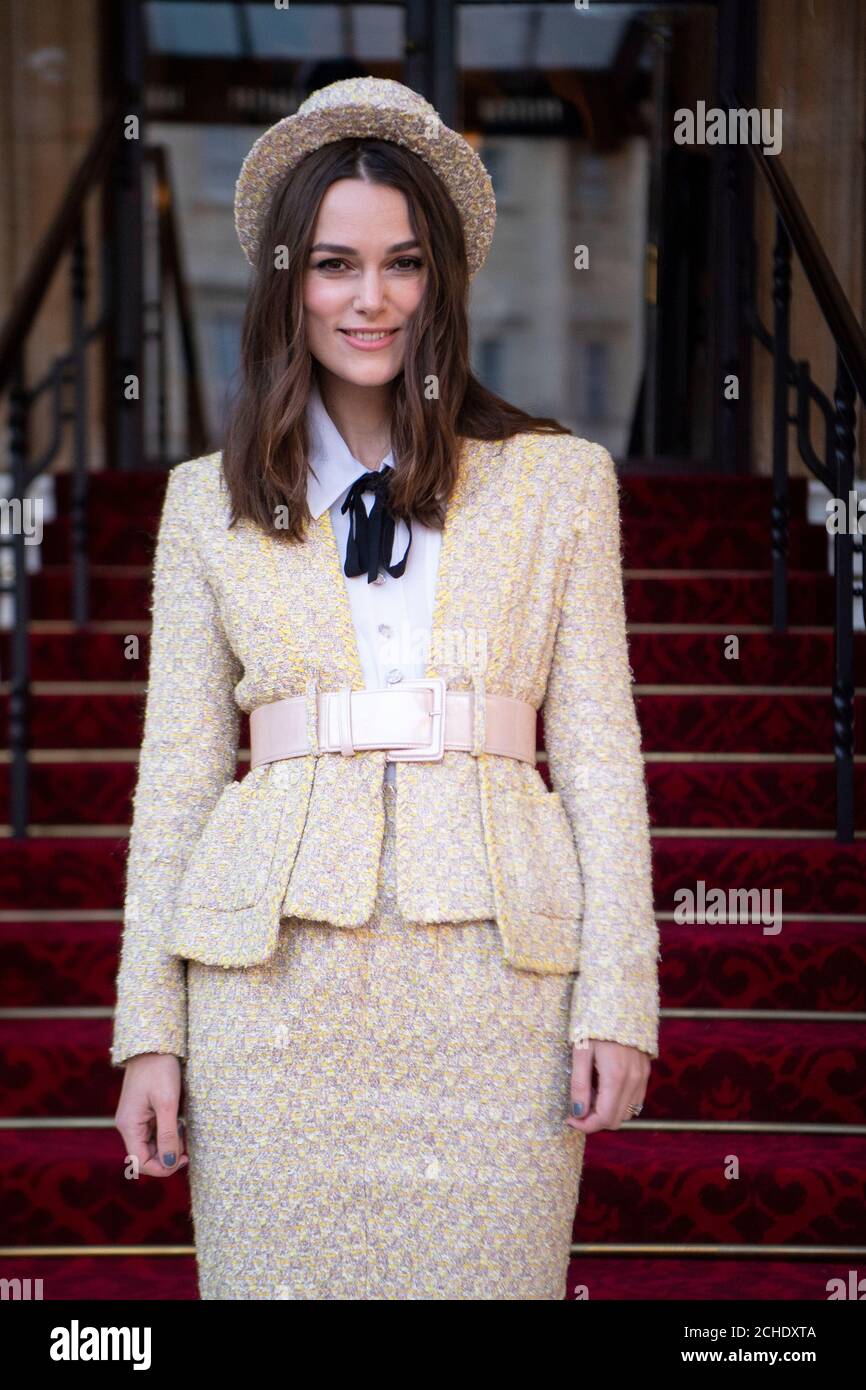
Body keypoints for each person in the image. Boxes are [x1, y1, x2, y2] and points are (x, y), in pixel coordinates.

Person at [112, 76, 659, 1301]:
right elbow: (176, 775)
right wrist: (149, 1029)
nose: (370, 301)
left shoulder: (558, 483)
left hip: (496, 989)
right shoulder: (203, 502)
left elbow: (602, 754)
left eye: (403, 265)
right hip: (269, 991)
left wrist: (619, 993)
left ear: (442, 279)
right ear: (284, 281)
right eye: (333, 265)